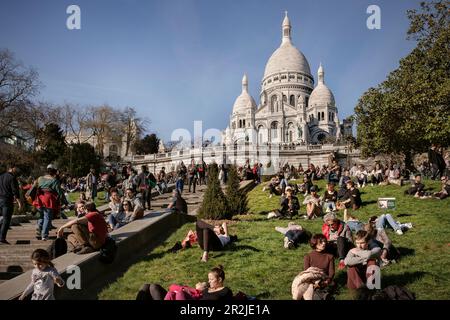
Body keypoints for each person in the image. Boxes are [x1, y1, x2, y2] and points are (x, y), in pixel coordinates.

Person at [136, 265, 232, 301]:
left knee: (179, 293)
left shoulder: (225, 291)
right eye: (208, 279)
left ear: (219, 280)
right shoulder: (207, 289)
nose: (208, 281)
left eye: (211, 280)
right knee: (149, 286)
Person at [35, 164, 67, 241]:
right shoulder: (54, 180)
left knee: (41, 215)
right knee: (47, 217)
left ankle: (39, 227)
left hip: (39, 198)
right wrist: (65, 201)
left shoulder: (40, 178)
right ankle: (44, 235)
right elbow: (59, 192)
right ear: (55, 172)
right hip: (48, 199)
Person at [301, 234, 335, 299]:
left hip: (324, 279)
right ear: (315, 243)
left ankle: (320, 294)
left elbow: (331, 273)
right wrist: (313, 282)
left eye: (325, 241)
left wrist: (326, 281)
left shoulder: (330, 256)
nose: (324, 243)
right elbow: (307, 272)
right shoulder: (308, 256)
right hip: (312, 279)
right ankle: (322, 295)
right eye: (321, 242)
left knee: (331, 284)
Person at [0, 163, 23, 244]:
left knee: (3, 219)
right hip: (7, 201)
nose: (17, 169)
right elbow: (15, 191)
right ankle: (2, 238)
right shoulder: (12, 178)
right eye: (16, 168)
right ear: (12, 168)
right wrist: (19, 203)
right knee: (6, 220)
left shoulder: (1, 176)